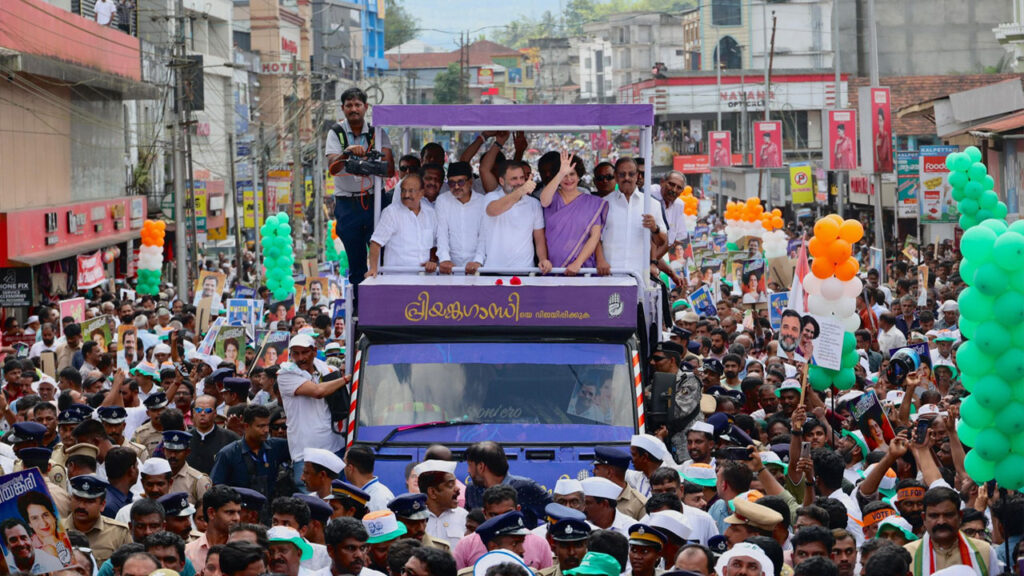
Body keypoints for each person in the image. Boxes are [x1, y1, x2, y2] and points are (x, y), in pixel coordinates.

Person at [326, 87, 395, 302]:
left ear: (366, 107)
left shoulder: (378, 132)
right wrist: (348, 153)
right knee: (355, 262)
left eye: (358, 105)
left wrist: (373, 157)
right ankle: (359, 309)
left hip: (375, 200)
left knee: (382, 257)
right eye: (349, 105)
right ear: (343, 109)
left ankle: (384, 302)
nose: (354, 109)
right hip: (347, 204)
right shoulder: (336, 132)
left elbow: (390, 170)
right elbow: (333, 168)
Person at [276, 334, 349, 485]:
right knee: (310, 503)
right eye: (296, 353)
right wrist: (346, 379)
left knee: (337, 500)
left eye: (305, 352)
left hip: (334, 447)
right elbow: (318, 392)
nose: (301, 357)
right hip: (304, 453)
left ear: (314, 351)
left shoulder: (328, 370)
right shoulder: (285, 374)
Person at [471, 160, 550, 273]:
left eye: (522, 178)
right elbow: (493, 210)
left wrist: (543, 259)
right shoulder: (491, 197)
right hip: (493, 270)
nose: (519, 182)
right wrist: (521, 191)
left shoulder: (534, 204)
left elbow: (539, 239)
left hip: (525, 271)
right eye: (514, 179)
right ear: (501, 181)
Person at [540, 150, 608, 275]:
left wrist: (577, 263)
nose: (568, 179)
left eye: (572, 174)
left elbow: (595, 237)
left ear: (579, 176)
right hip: (552, 268)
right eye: (565, 175)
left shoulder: (592, 202)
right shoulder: (551, 198)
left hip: (582, 268)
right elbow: (544, 201)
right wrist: (561, 172)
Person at [905, 487, 997, 575]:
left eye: (948, 515)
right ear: (924, 518)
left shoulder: (985, 551)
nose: (941, 522)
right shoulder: (908, 554)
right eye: (934, 516)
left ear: (960, 517)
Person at [601, 157, 666, 278]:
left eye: (631, 174)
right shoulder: (603, 204)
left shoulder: (652, 204)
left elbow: (662, 241)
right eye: (622, 174)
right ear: (615, 176)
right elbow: (596, 239)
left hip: (640, 277)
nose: (627, 178)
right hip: (609, 276)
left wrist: (654, 228)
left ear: (638, 176)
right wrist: (601, 262)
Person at [464, 441, 551, 528]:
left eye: (469, 465)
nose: (468, 470)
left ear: (481, 467)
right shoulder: (472, 490)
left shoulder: (526, 488)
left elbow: (556, 516)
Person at [366, 172, 437, 277]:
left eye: (411, 191)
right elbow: (376, 243)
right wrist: (373, 268)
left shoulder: (430, 213)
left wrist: (432, 260)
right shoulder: (391, 212)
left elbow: (435, 244)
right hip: (397, 280)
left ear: (422, 193)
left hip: (425, 279)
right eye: (403, 190)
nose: (406, 195)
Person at [67, 474, 132, 565]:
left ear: (102, 505)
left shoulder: (120, 534)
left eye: (89, 501)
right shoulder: (54, 530)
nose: (81, 506)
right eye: (78, 499)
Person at [436, 162, 487, 275]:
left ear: (470, 182)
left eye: (461, 182)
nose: (457, 187)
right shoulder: (442, 200)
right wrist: (445, 259)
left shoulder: (483, 201)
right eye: (452, 183)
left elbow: (484, 235)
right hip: (449, 267)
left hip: (477, 267)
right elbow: (442, 232)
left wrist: (478, 261)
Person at [874, 107, 893, 173]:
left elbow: (883, 156)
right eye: (878, 120)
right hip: (879, 167)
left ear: (884, 121)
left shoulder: (885, 136)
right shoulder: (877, 135)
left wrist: (876, 146)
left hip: (884, 167)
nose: (879, 123)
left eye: (881, 120)